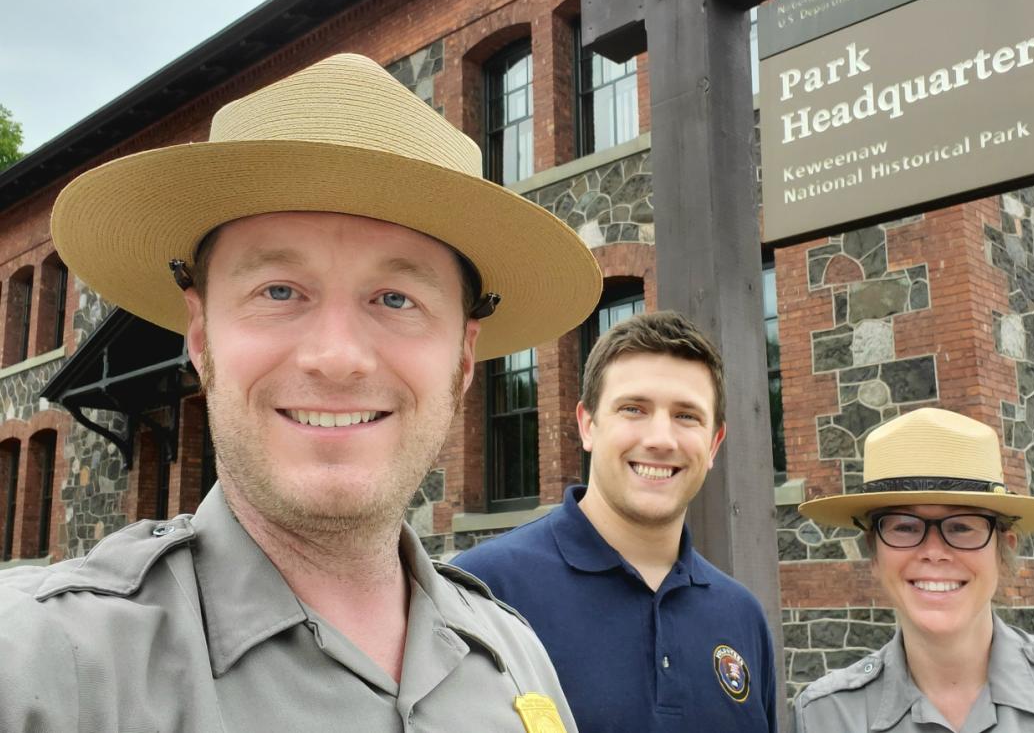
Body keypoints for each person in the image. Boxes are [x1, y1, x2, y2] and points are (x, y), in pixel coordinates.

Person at [0, 53, 601, 732]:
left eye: (396, 298)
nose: (336, 358)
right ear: (201, 336)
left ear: (463, 358)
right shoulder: (42, 673)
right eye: (278, 290)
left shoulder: (516, 662)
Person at [454, 310, 778, 732]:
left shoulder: (741, 616)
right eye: (633, 409)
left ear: (714, 443)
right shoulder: (483, 592)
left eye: (686, 416)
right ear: (588, 425)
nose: (660, 439)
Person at [793, 407, 1034, 733]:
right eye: (904, 527)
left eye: (962, 527)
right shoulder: (824, 718)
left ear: (1004, 550)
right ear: (874, 553)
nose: (933, 552)